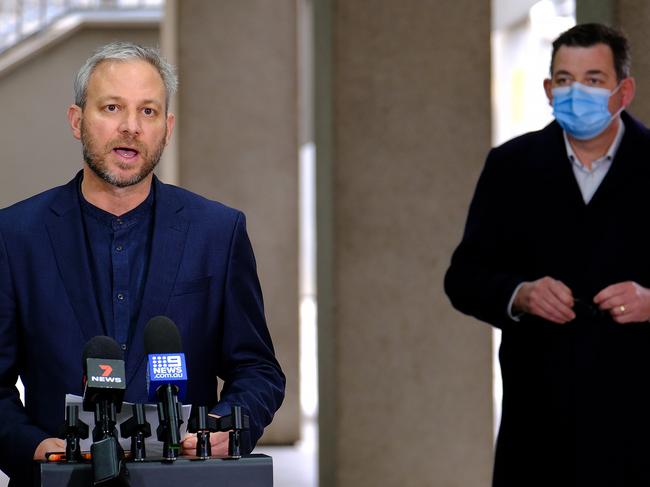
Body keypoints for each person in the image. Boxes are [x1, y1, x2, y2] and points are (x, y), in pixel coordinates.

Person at [0, 42, 285, 484]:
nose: (130, 126)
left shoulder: (218, 232)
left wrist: (226, 427)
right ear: (77, 121)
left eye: (148, 112)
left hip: (185, 477)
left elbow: (258, 370)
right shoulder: (14, 235)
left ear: (167, 128)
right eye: (112, 107)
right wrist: (31, 446)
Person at [445, 23, 650, 487]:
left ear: (624, 91)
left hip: (637, 424)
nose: (577, 92)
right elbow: (464, 276)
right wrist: (520, 294)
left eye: (594, 80)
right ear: (547, 89)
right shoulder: (511, 166)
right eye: (564, 80)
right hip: (539, 425)